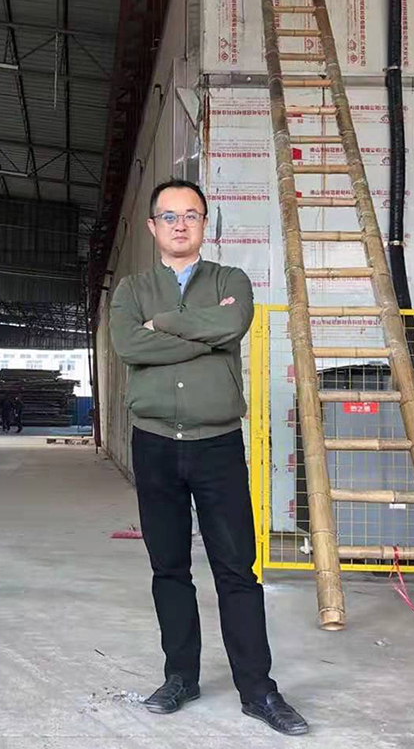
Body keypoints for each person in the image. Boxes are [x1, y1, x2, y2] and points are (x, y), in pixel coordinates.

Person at [109, 179, 308, 736]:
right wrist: (203, 331)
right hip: (153, 442)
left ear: (204, 224)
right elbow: (128, 345)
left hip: (217, 444)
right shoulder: (132, 288)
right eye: (169, 216)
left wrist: (163, 324)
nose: (180, 225)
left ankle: (258, 690)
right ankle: (181, 677)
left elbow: (232, 323)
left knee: (236, 568)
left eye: (191, 215)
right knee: (169, 567)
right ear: (152, 227)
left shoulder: (230, 281)